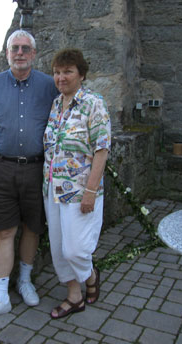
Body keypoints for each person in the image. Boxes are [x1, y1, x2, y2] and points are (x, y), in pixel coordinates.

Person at [0, 29, 58, 323]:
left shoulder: (48, 86)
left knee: (32, 227)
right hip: (1, 169)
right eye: (14, 48)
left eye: (25, 48)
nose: (19, 53)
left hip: (37, 169)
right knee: (5, 231)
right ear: (7, 54)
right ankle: (0, 296)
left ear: (33, 54)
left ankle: (25, 280)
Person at [43, 48, 111, 319]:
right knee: (59, 248)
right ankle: (74, 296)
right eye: (57, 72)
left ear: (81, 74)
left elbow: (102, 149)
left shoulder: (93, 103)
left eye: (68, 71)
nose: (61, 77)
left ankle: (91, 275)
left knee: (75, 249)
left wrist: (91, 192)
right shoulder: (56, 104)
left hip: (82, 190)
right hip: (53, 188)